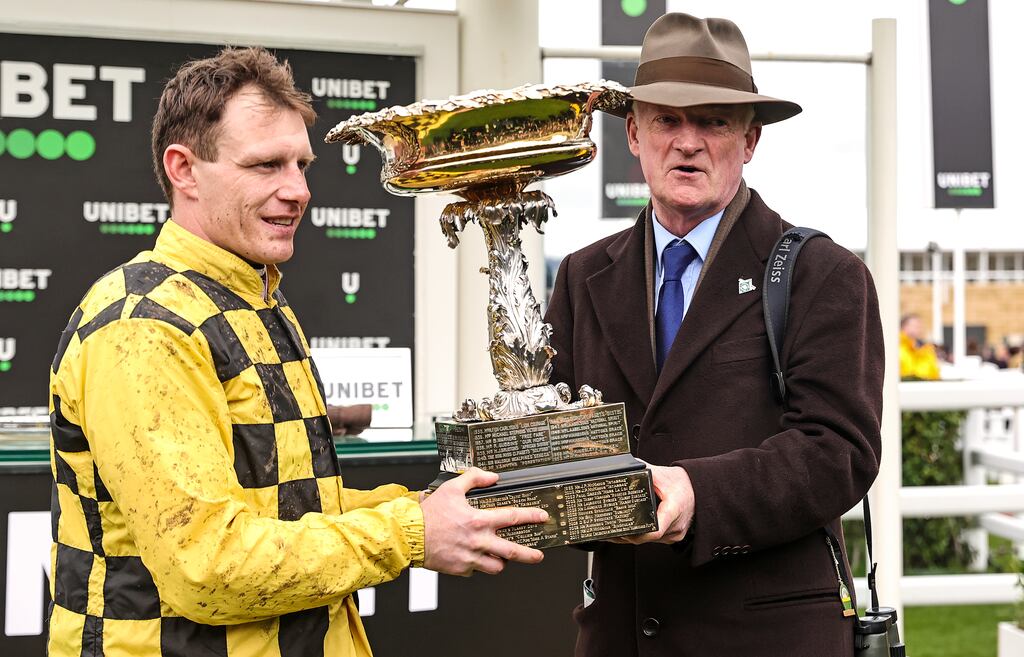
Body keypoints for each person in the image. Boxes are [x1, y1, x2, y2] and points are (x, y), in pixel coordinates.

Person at [47, 47, 547, 657]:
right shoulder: (144, 327)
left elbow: (286, 506)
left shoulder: (255, 296)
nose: (298, 190)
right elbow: (208, 567)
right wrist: (410, 532)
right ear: (183, 169)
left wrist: (429, 508)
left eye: (302, 165)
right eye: (266, 165)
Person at [545, 13, 883, 657]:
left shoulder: (824, 275)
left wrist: (696, 493)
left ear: (750, 140)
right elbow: (559, 450)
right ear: (633, 135)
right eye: (668, 120)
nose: (688, 142)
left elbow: (839, 452)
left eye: (713, 121)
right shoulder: (583, 277)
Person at [899, 313, 942, 379]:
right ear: (904, 326)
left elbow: (935, 373)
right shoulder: (897, 347)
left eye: (920, 326)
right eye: (915, 326)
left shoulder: (926, 349)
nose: (919, 329)